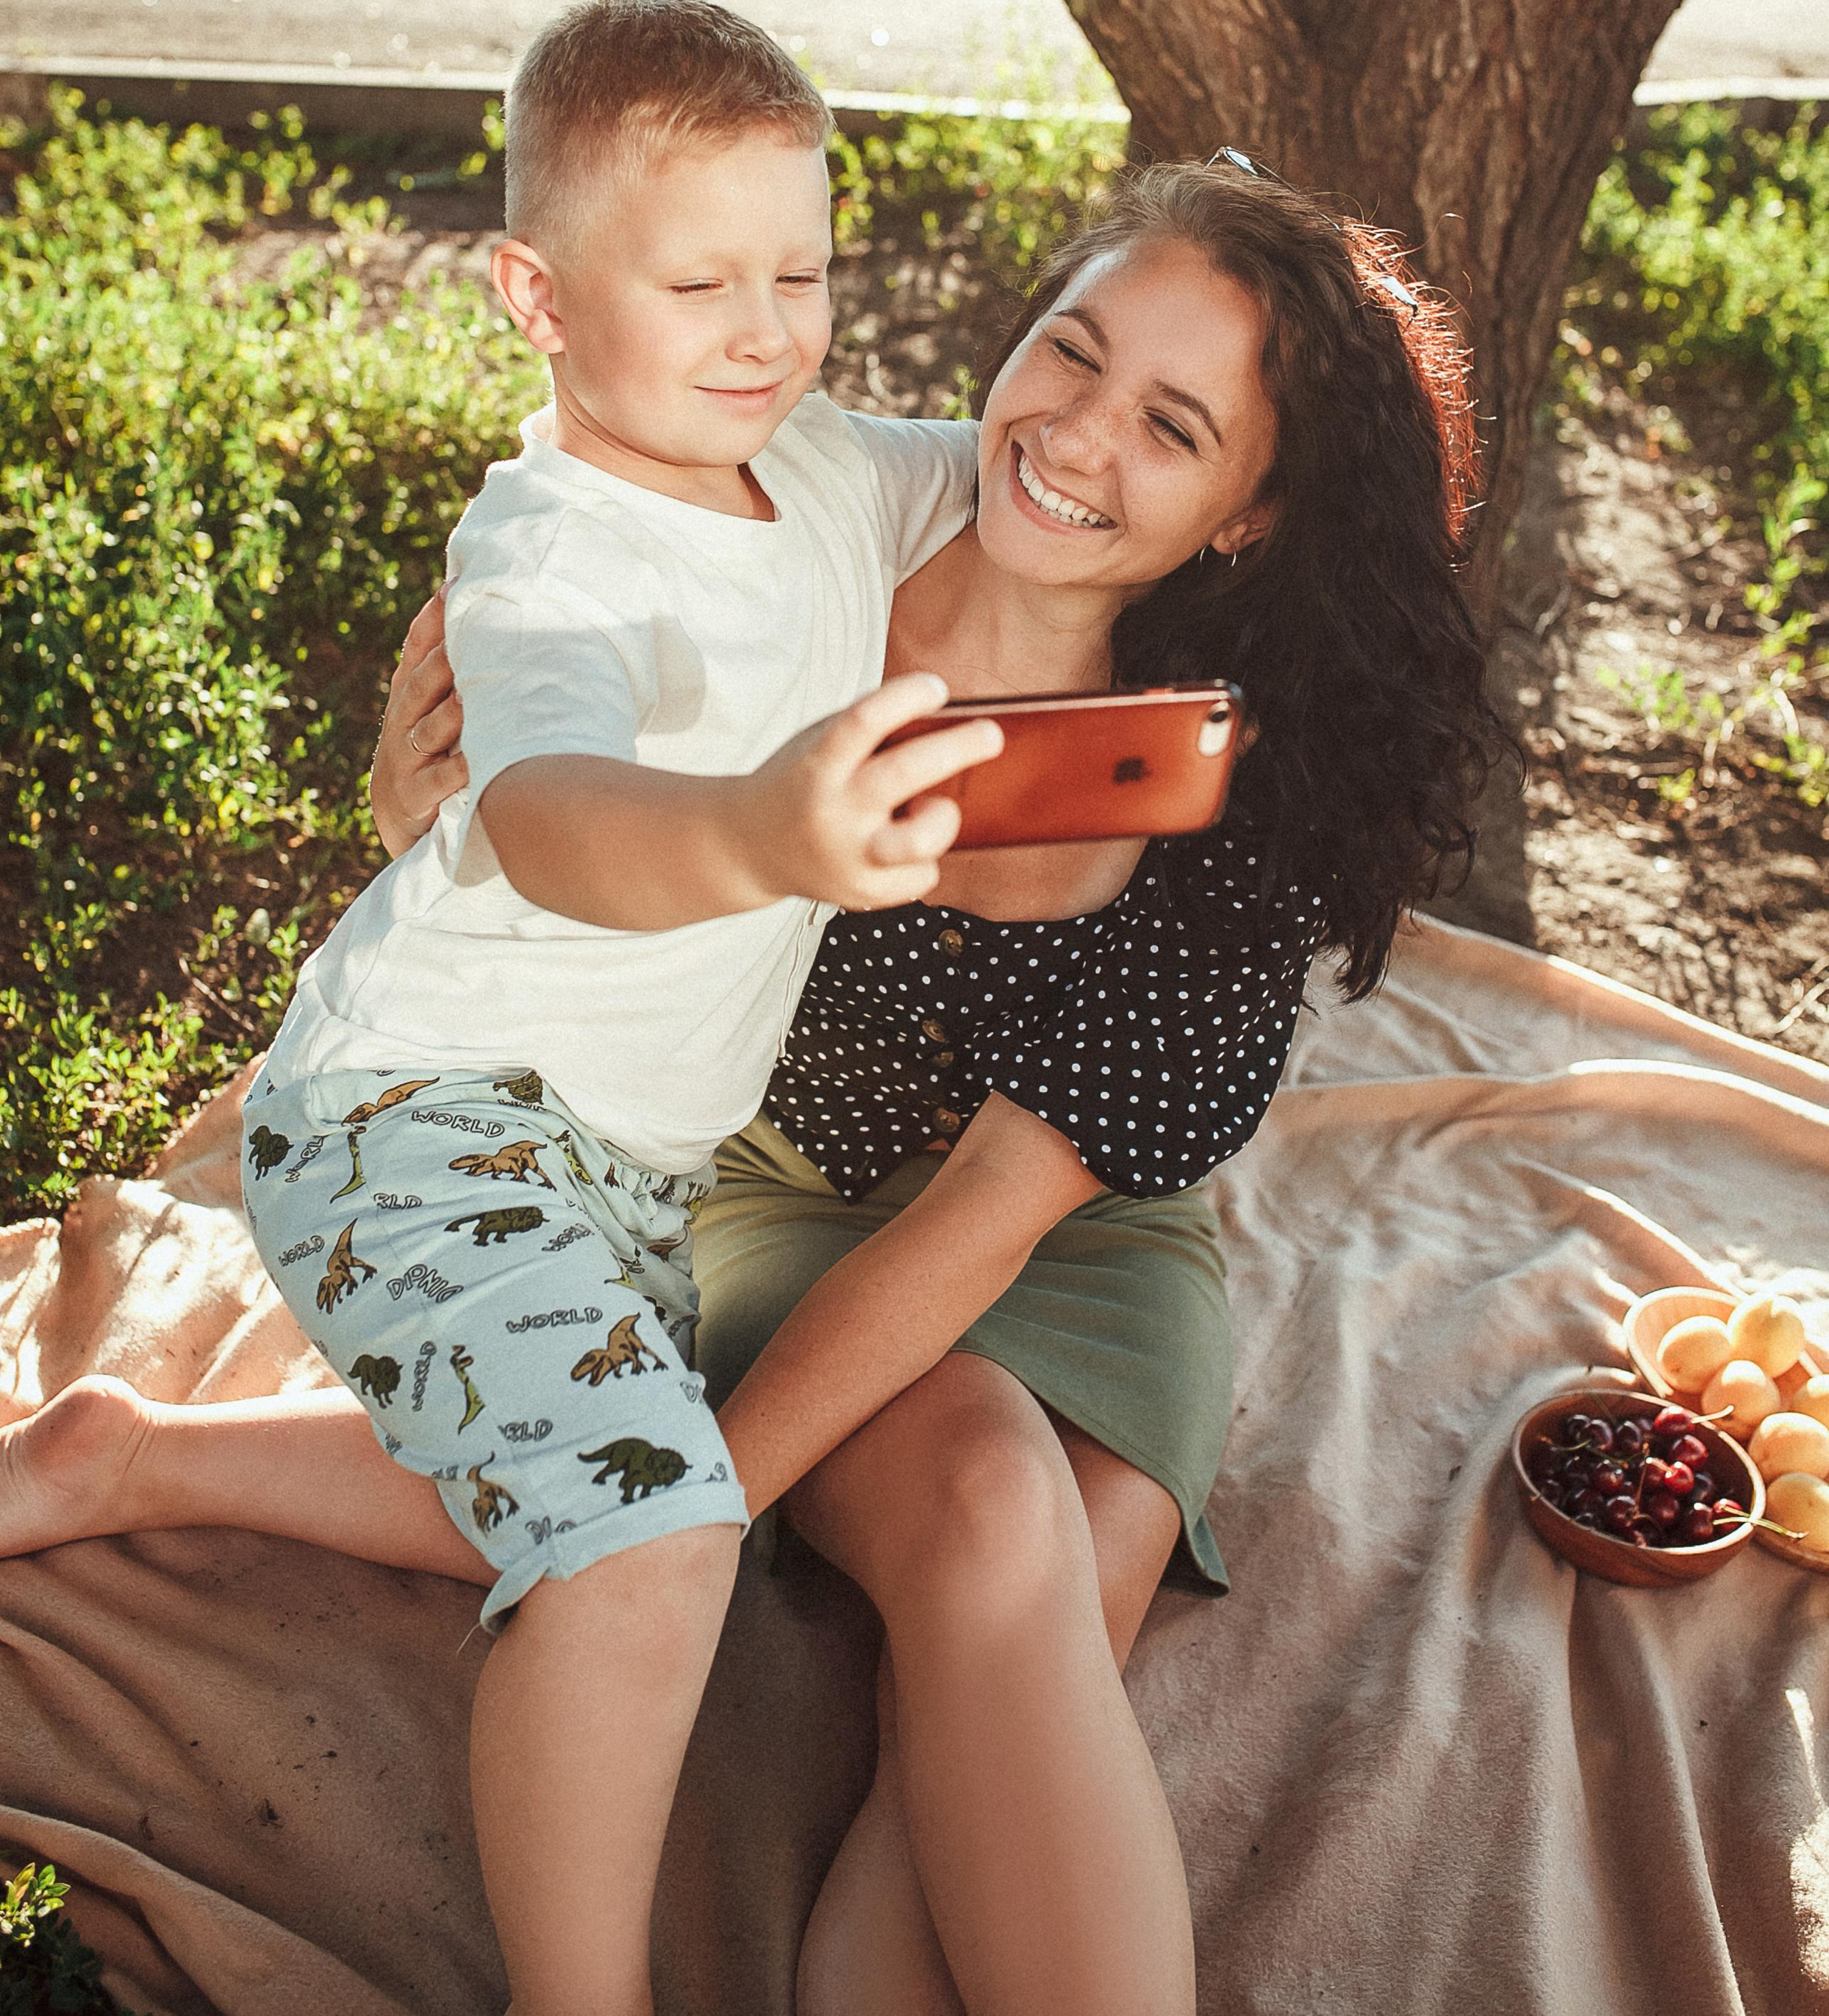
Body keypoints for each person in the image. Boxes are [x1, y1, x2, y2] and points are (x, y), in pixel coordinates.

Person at [1, 153, 1502, 2016]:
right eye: (1073, 351)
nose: (1078, 435)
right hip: (734, 1168)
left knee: (1000, 1647)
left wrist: (696, 1505)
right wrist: (436, 815)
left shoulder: (1228, 785)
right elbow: (534, 787)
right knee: (984, 1510)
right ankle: (130, 1451)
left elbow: (979, 1231)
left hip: (1058, 1233)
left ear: (1252, 512)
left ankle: (163, 1457)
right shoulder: (773, 536)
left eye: (1174, 426)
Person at [215, 0, 1005, 2016]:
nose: (769, 328)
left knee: (569, 1461)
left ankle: (128, 1458)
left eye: (806, 271)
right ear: (537, 298)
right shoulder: (551, 553)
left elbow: (1024, 474)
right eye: (702, 281)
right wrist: (760, 831)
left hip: (618, 1156)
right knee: (655, 1536)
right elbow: (550, 807)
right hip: (420, 1108)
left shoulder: (820, 467)